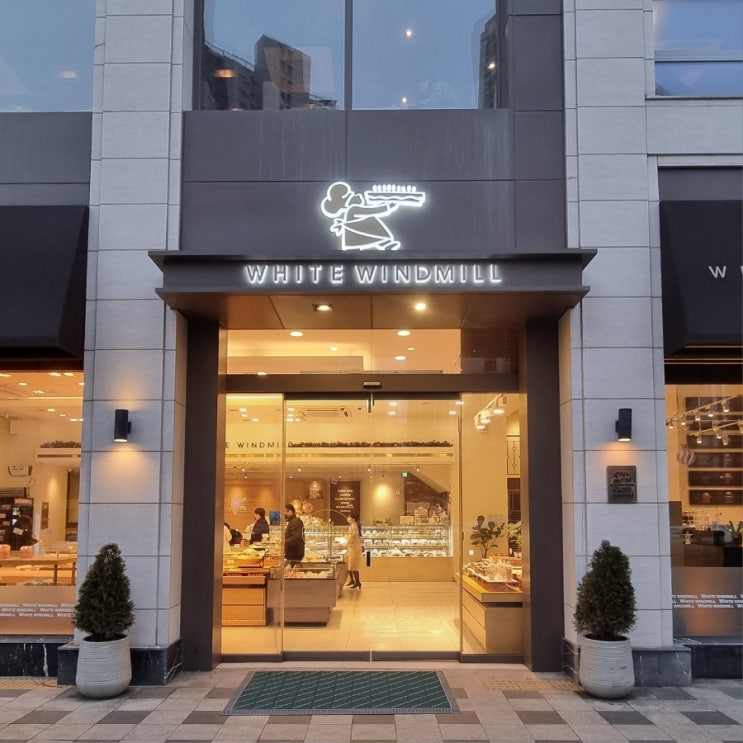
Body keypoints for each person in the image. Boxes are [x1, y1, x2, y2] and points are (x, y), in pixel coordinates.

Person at [345, 513, 363, 589]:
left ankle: (358, 582)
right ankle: (352, 580)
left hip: (354, 548)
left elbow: (352, 537)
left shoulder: (353, 526)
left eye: (349, 517)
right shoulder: (353, 525)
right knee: (349, 565)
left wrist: (345, 540)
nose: (348, 518)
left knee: (354, 565)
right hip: (352, 548)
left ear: (353, 519)